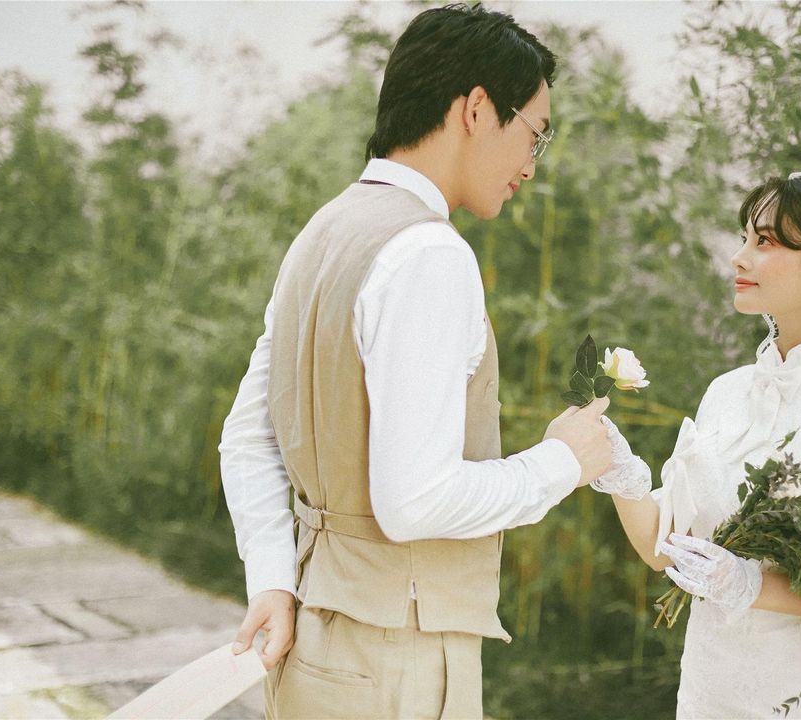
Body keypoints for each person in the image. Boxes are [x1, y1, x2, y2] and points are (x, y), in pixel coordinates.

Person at [218, 4, 613, 718]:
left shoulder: (324, 230)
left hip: (316, 642)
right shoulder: (429, 253)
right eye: (535, 134)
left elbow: (249, 437)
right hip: (395, 657)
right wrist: (562, 462)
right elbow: (415, 502)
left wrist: (272, 578)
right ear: (476, 109)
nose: (531, 166)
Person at [592, 172, 801, 718]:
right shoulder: (726, 393)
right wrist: (620, 471)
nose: (739, 258)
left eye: (764, 241)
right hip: (707, 690)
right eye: (745, 237)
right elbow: (665, 551)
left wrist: (749, 583)